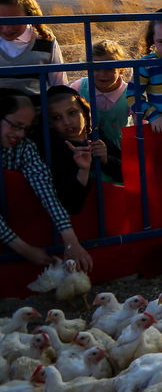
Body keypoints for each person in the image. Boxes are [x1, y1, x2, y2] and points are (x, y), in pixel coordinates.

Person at [0, 90, 92, 270]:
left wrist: (71, 242)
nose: (20, 134)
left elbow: (45, 190)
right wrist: (25, 250)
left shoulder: (24, 148)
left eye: (25, 129)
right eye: (16, 125)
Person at [43, 85, 117, 213]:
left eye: (72, 113)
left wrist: (106, 159)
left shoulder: (95, 135)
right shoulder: (54, 150)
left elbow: (129, 173)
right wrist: (83, 170)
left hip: (115, 207)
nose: (67, 122)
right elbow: (71, 205)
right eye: (57, 117)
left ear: (84, 111)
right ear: (50, 123)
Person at [68, 38, 130, 165]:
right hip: (85, 148)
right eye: (96, 68)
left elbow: (140, 123)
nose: (102, 74)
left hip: (117, 151)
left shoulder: (129, 93)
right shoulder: (78, 88)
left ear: (121, 69)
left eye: (109, 69)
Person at [0, 0, 65, 97]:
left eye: (15, 21)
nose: (7, 28)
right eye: (1, 21)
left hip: (38, 107)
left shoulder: (45, 41)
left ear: (29, 14)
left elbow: (59, 87)